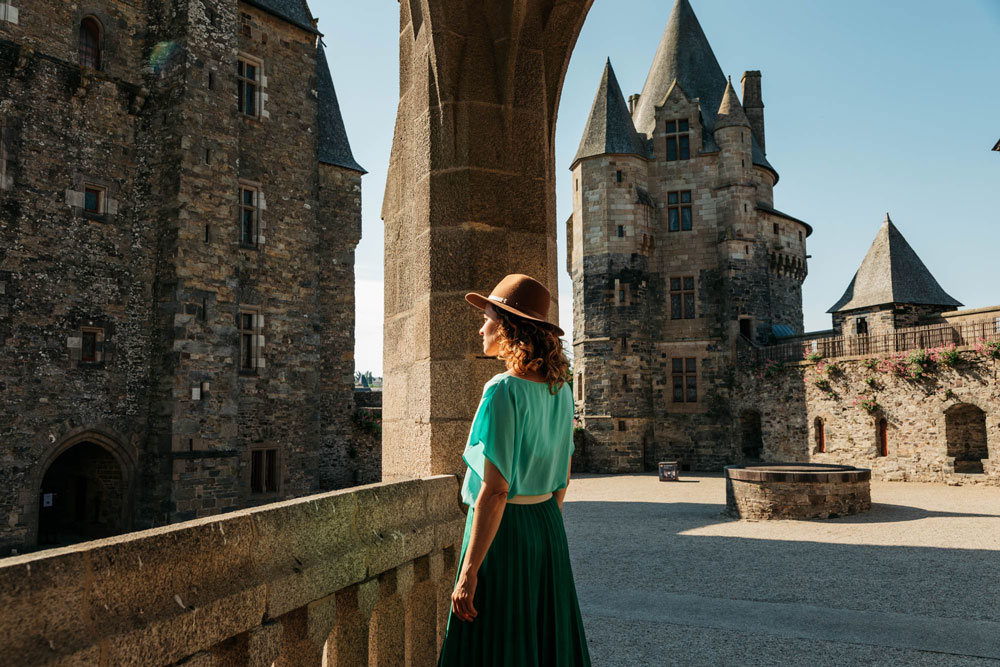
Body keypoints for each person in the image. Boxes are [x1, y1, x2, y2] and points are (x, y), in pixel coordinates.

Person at [437, 274, 591, 667]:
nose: (480, 327)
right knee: (542, 638)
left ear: (508, 328)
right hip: (546, 525)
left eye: (487, 318)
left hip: (505, 531)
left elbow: (496, 489)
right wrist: (543, 526)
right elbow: (563, 477)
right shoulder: (562, 390)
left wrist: (469, 571)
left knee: (496, 641)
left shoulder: (503, 389)